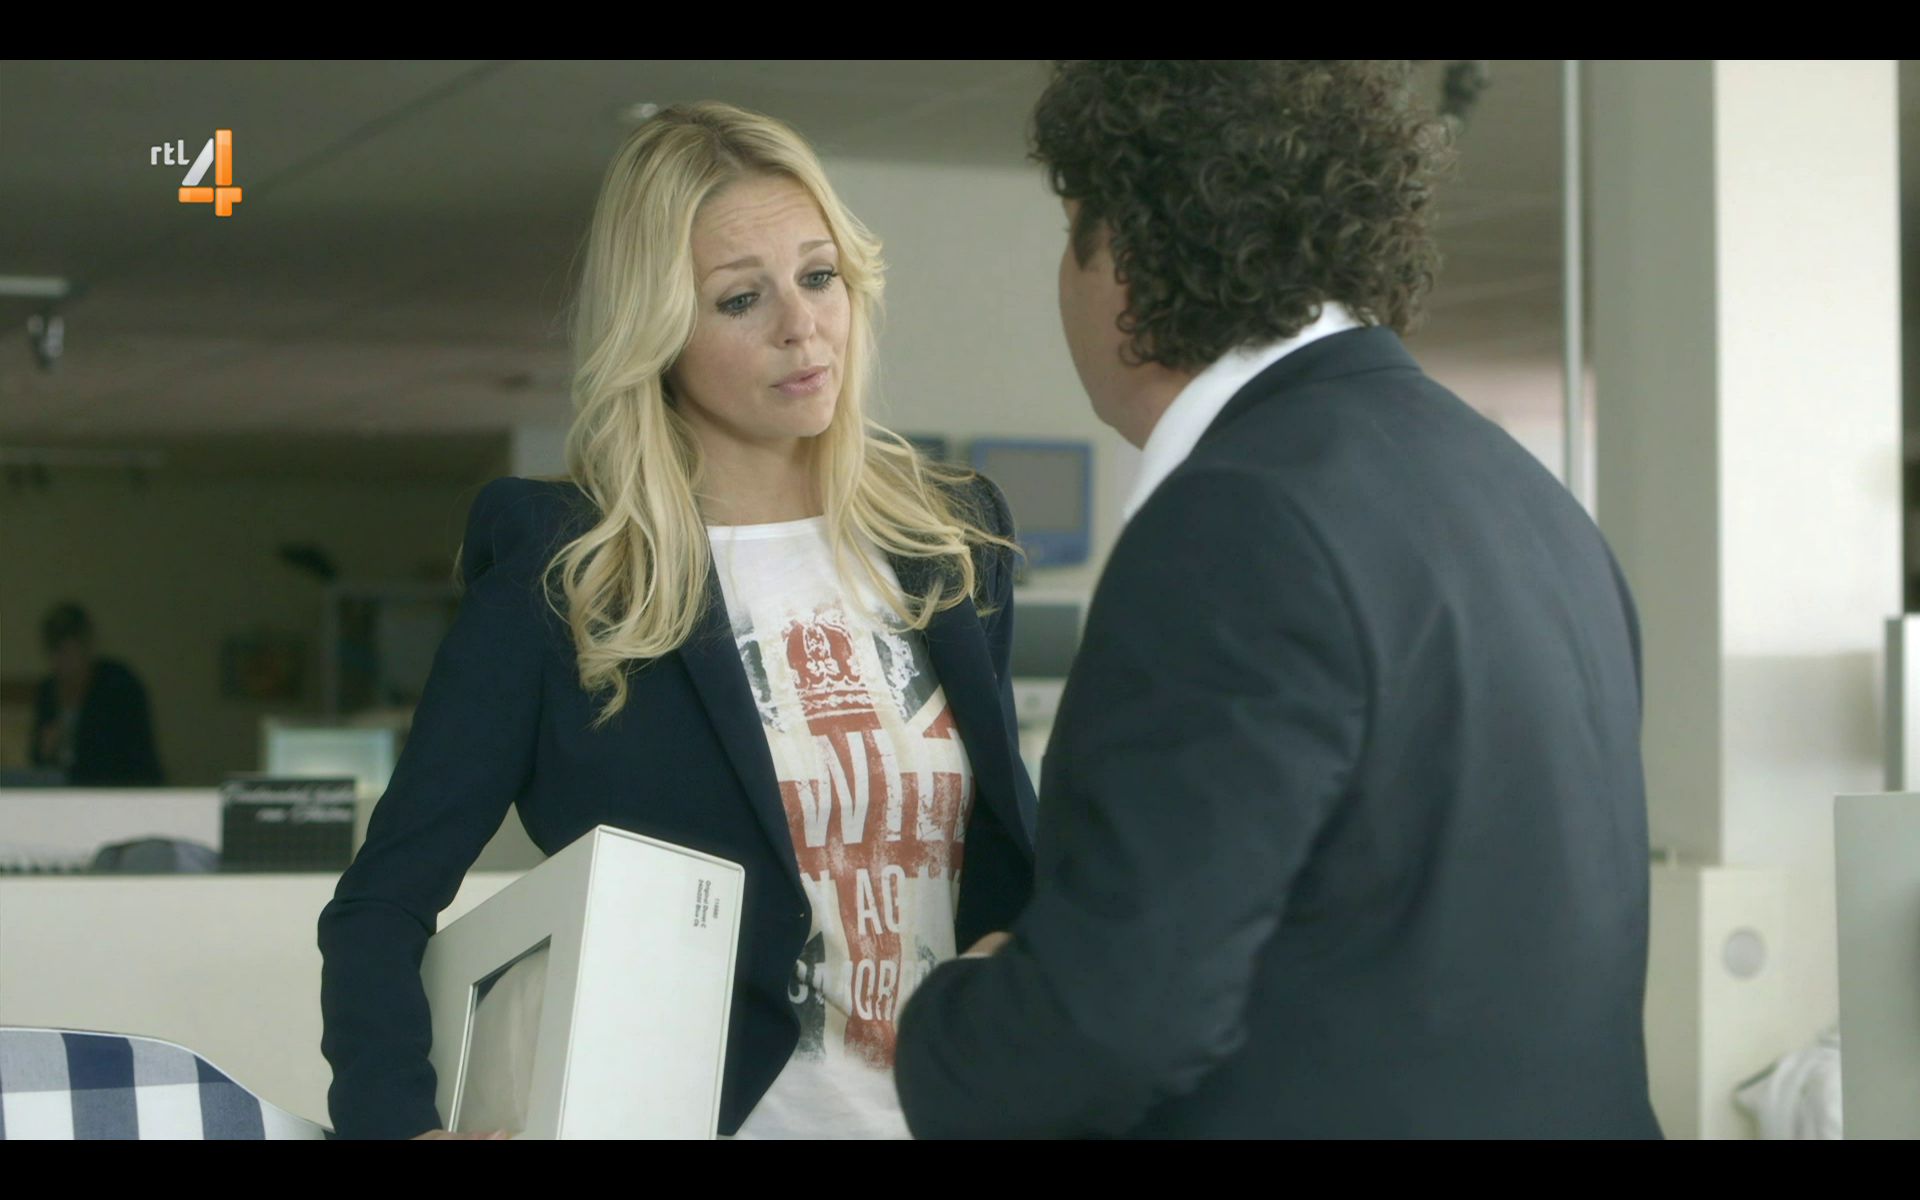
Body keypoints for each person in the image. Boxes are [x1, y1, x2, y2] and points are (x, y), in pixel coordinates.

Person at [893, 60, 1663, 1139]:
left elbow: (1114, 1023)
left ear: (1128, 248)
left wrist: (956, 1015)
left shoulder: (1234, 520)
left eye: (1072, 230)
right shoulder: (1531, 501)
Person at [316, 101, 1036, 1140]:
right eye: (741, 298)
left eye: (819, 276)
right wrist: (398, 1126)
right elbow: (380, 906)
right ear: (657, 333)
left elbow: (1003, 852)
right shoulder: (565, 574)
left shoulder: (952, 537)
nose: (801, 326)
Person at [29, 601, 164, 786]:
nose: (64, 660)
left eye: (70, 649)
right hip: (64, 797)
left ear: (87, 646)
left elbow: (135, 758)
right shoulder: (48, 692)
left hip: (121, 793)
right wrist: (46, 752)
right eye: (57, 651)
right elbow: (38, 761)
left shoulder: (119, 686)